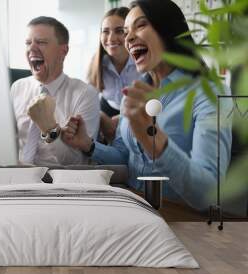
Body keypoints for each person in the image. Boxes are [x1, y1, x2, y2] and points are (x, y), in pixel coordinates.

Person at [61, 0, 232, 211]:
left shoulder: (209, 93)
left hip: (182, 219)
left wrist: (154, 141)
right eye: (126, 31)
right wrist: (87, 144)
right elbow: (125, 156)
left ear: (168, 30)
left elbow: (210, 195)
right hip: (134, 207)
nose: (128, 38)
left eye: (140, 25)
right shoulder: (134, 94)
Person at [11, 16, 100, 165]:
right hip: (15, 177)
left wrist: (50, 128)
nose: (31, 48)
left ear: (63, 51)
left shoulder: (85, 95)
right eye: (28, 43)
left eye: (41, 42)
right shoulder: (17, 88)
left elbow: (77, 163)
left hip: (58, 183)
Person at [87, 7, 141, 142]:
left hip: (139, 113)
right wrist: (99, 116)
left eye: (119, 31)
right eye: (105, 31)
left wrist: (124, 119)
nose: (111, 38)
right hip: (107, 110)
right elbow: (88, 100)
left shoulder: (143, 61)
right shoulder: (97, 63)